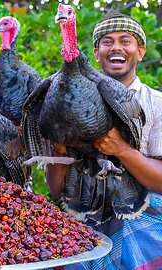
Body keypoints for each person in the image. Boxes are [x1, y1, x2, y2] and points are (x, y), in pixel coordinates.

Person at [48, 13, 162, 270]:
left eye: (126, 40)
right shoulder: (64, 102)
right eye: (107, 42)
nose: (117, 48)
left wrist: (121, 150)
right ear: (97, 53)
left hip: (145, 229)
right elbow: (56, 190)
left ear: (141, 51)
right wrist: (59, 149)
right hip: (84, 221)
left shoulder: (157, 103)